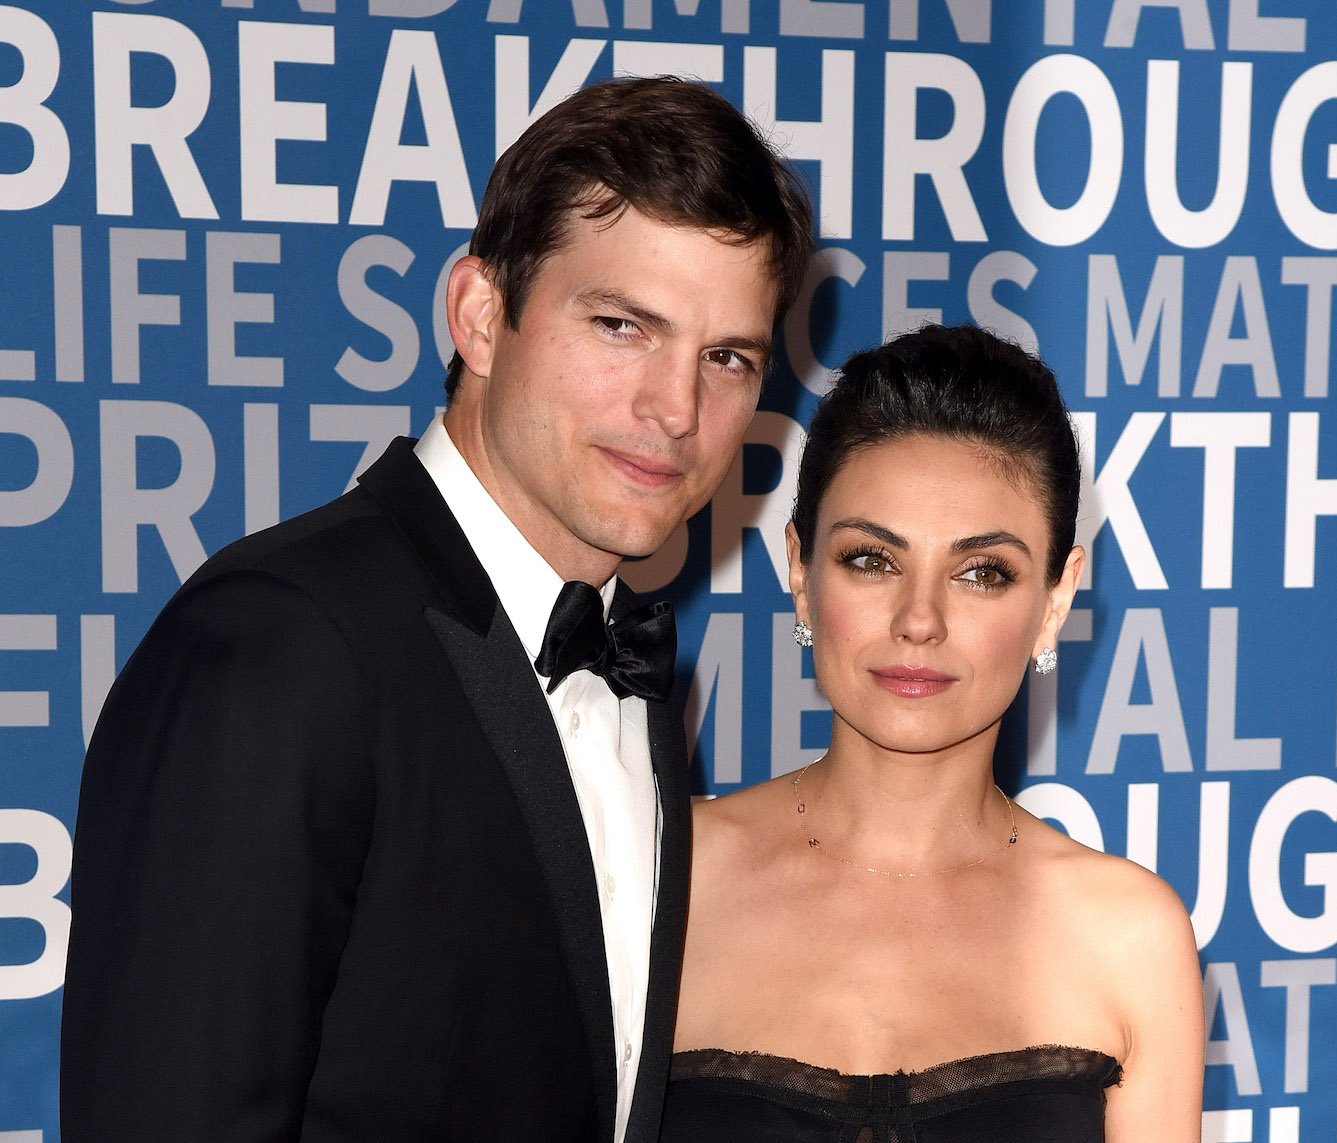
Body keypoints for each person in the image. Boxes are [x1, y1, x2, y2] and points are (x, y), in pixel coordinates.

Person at [62, 76, 814, 1143]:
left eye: (726, 358)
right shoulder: (280, 643)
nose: (676, 410)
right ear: (479, 315)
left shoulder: (629, 672)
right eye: (620, 326)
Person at [665, 325, 1204, 1141]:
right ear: (800, 573)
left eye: (983, 571)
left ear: (1056, 598)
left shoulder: (1129, 936)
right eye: (872, 560)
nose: (920, 620)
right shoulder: (667, 877)